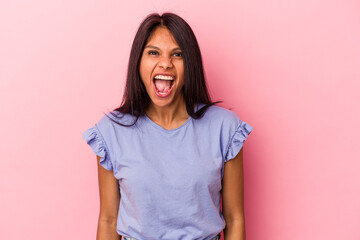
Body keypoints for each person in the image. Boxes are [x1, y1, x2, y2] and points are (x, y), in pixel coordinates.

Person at [82, 12, 253, 240]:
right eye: (153, 53)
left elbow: (234, 219)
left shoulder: (225, 129)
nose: (165, 63)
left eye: (178, 54)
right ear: (138, 62)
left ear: (190, 64)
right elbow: (108, 220)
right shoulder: (111, 132)